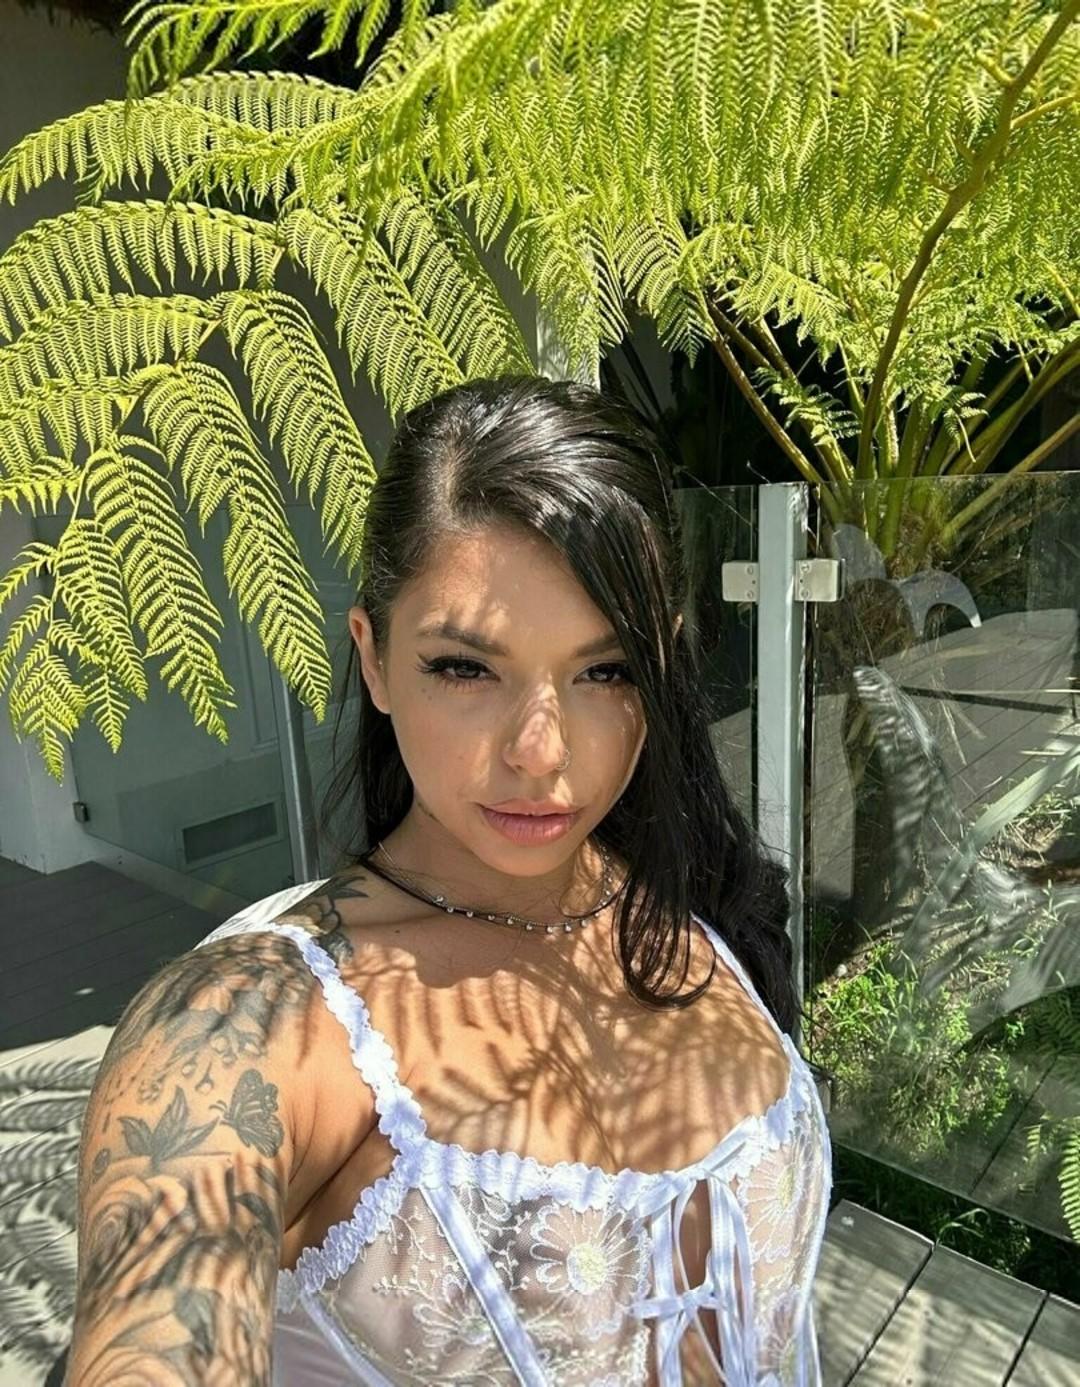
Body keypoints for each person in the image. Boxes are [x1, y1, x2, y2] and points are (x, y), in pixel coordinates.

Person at [65, 375, 832, 1386]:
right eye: (467, 668)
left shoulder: (695, 906)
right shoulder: (248, 1025)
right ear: (375, 659)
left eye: (606, 670)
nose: (541, 751)